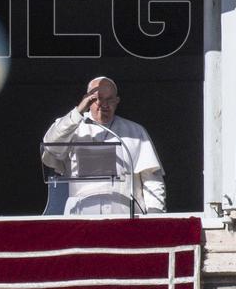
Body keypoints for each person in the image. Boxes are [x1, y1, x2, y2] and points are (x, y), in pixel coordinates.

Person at [41, 77, 166, 215]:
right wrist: (78, 111)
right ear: (87, 99)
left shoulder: (135, 131)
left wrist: (156, 216)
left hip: (124, 215)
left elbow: (152, 179)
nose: (104, 104)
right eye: (97, 98)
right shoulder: (72, 127)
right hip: (80, 215)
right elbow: (50, 146)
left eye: (110, 99)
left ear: (117, 101)